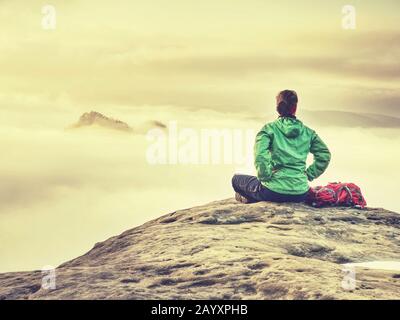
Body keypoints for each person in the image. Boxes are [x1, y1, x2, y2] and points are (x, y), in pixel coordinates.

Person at [232, 90, 331, 203]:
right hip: (300, 193)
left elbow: (260, 155)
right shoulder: (309, 133)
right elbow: (324, 155)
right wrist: (308, 174)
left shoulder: (269, 129)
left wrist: (265, 176)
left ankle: (250, 200)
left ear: (277, 107)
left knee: (236, 180)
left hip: (272, 192)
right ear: (295, 108)